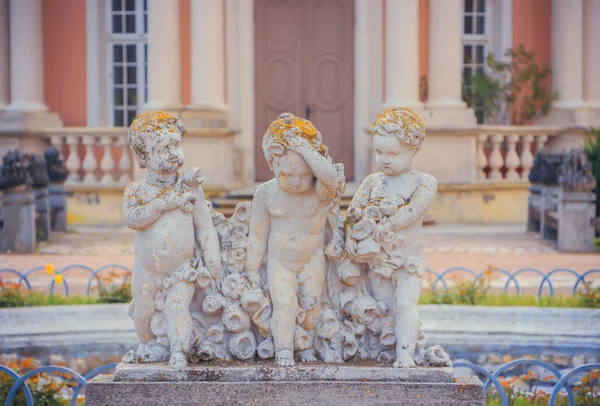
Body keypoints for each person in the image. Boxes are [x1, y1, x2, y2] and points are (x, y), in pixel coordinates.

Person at [123, 110, 222, 368]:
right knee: (142, 313)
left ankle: (179, 351)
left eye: (176, 145)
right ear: (144, 156)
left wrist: (214, 264)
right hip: (146, 271)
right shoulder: (138, 192)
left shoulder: (190, 188)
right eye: (162, 148)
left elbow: (205, 228)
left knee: (177, 307)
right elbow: (133, 218)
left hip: (180, 270)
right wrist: (166, 203)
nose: (172, 153)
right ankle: (146, 345)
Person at [244, 112, 345, 366]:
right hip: (281, 262)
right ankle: (284, 352)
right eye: (286, 175)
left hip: (312, 260)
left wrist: (304, 147)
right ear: (272, 165)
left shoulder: (320, 192)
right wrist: (252, 269)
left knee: (312, 310)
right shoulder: (266, 194)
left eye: (303, 174)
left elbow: (331, 179)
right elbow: (257, 235)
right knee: (285, 304)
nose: (296, 182)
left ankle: (306, 344)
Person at [346, 107, 437, 368]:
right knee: (382, 309)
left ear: (414, 149)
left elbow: (412, 211)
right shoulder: (372, 182)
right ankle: (378, 351)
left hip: (407, 259)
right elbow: (353, 213)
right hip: (376, 261)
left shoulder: (424, 183)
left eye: (393, 153)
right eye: (379, 152)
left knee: (405, 304)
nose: (384, 159)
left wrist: (385, 224)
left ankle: (406, 354)